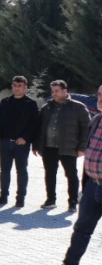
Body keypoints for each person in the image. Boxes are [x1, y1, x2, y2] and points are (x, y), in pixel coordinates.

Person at [43, 85, 102, 265]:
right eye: (100, 95)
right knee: (81, 229)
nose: (100, 99)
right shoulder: (96, 120)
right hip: (93, 185)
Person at [34, 80, 91, 210]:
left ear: (65, 91)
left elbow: (86, 129)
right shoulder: (46, 108)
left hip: (69, 147)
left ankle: (72, 202)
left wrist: (82, 147)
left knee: (71, 175)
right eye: (52, 91)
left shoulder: (78, 107)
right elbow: (39, 128)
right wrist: (36, 145)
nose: (54, 94)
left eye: (57, 91)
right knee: (50, 174)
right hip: (49, 147)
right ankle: (50, 200)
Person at [0, 75, 40, 207]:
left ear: (25, 87)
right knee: (4, 170)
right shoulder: (5, 102)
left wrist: (25, 138)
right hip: (5, 142)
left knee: (21, 170)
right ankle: (3, 196)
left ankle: (20, 198)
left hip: (21, 144)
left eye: (19, 86)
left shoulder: (30, 104)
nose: (16, 88)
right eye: (14, 85)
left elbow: (34, 124)